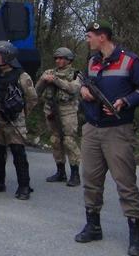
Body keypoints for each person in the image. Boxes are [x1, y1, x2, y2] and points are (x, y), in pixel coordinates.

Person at [74, 21, 139, 256]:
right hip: (92, 127)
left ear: (102, 37)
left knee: (125, 183)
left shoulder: (129, 60)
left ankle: (135, 236)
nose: (87, 40)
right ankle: (93, 225)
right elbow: (84, 85)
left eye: (90, 36)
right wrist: (83, 92)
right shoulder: (92, 61)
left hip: (118, 130)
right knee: (90, 179)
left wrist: (125, 101)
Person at [0, 40, 38, 200]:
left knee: (18, 152)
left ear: (7, 56)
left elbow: (32, 98)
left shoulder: (21, 75)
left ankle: (24, 186)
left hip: (13, 120)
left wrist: (21, 113)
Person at [36, 47, 82, 187]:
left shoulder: (76, 74)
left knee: (69, 140)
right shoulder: (48, 72)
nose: (59, 61)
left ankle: (75, 174)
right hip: (51, 109)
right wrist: (44, 80)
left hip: (67, 109)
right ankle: (60, 171)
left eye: (62, 58)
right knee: (55, 140)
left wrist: (55, 81)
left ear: (69, 60)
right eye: (57, 58)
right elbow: (36, 91)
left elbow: (73, 89)